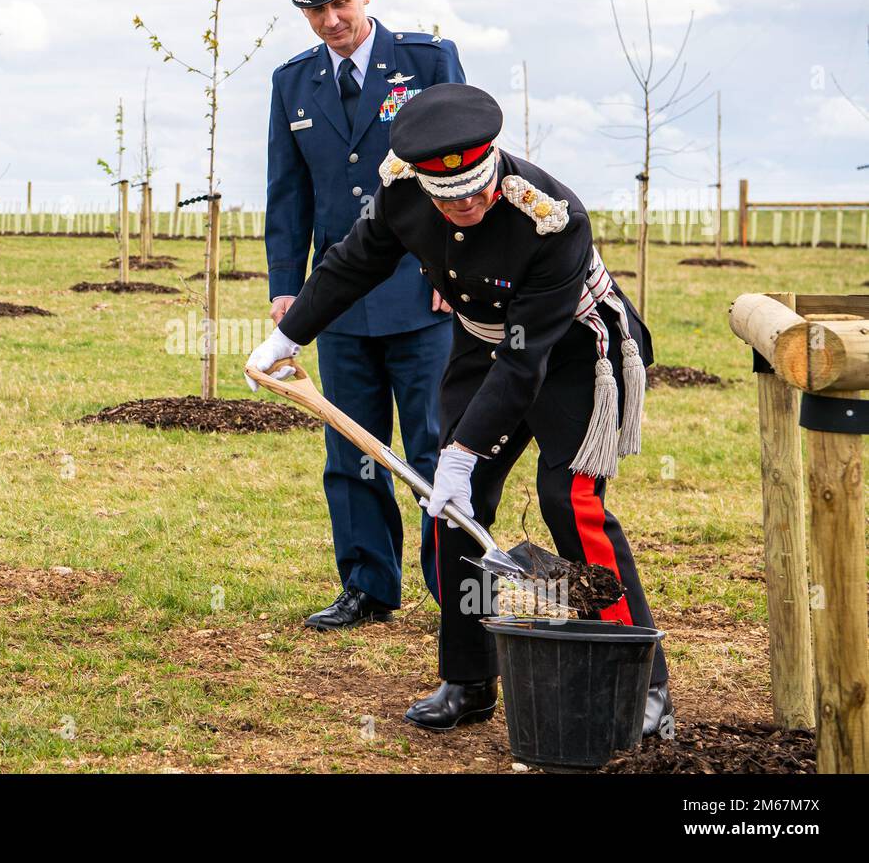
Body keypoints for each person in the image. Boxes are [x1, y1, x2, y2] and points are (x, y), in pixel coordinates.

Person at [247, 83, 672, 736]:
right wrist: (286, 336)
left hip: (574, 356)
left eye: (477, 191)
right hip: (481, 345)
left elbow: (525, 364)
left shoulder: (552, 218)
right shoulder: (402, 194)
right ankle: (469, 680)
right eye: (450, 198)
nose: (466, 205)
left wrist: (459, 452)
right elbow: (353, 264)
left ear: (494, 165)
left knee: (569, 503)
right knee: (454, 508)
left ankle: (644, 686)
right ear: (423, 183)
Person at [261, 0, 463, 631]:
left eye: (339, 3)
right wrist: (288, 286)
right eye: (314, 10)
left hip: (422, 291)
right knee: (352, 448)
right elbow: (287, 193)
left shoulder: (428, 62)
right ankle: (367, 586)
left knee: (436, 444)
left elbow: (461, 169)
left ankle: (456, 590)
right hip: (338, 300)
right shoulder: (292, 84)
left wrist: (453, 270)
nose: (329, 20)